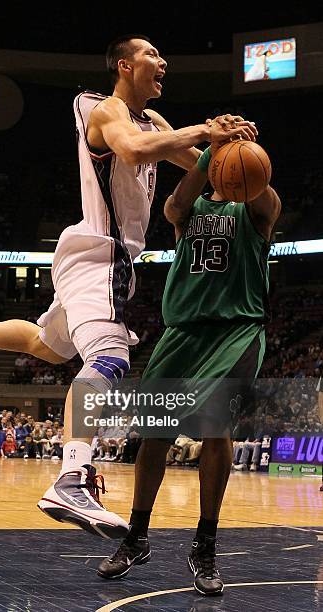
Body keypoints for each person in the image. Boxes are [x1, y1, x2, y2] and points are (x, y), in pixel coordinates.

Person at [0, 35, 256, 539]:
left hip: (101, 258)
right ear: (124, 64)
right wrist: (204, 129)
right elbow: (133, 149)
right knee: (110, 357)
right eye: (152, 55)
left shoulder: (156, 122)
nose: (163, 62)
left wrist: (230, 147)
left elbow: (201, 169)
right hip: (101, 253)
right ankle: (70, 478)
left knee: (46, 346)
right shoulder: (99, 108)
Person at [97, 141, 281, 595]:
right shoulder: (189, 205)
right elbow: (175, 205)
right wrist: (210, 153)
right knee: (154, 436)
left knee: (215, 429)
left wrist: (244, 147)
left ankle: (205, 546)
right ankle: (137, 537)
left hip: (236, 330)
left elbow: (263, 193)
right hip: (182, 333)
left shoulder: (258, 208)